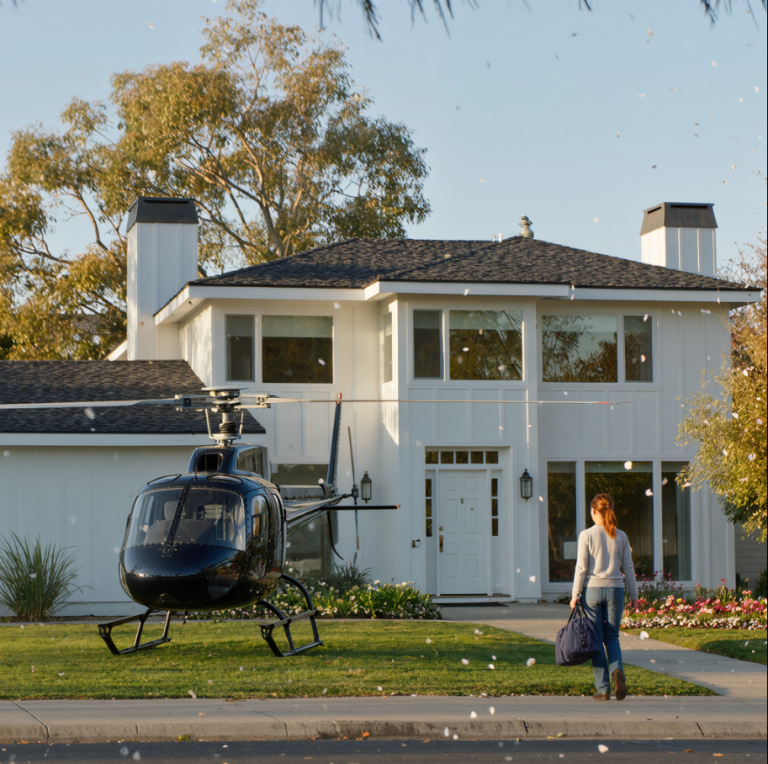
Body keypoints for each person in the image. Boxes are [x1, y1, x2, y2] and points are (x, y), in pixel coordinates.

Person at [570, 493, 637, 701]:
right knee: (612, 637)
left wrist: (575, 594)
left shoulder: (586, 535)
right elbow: (628, 567)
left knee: (596, 640)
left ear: (593, 511)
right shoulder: (621, 536)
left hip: (592, 590)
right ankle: (617, 671)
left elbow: (581, 568)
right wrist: (633, 594)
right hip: (616, 590)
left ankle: (603, 689)